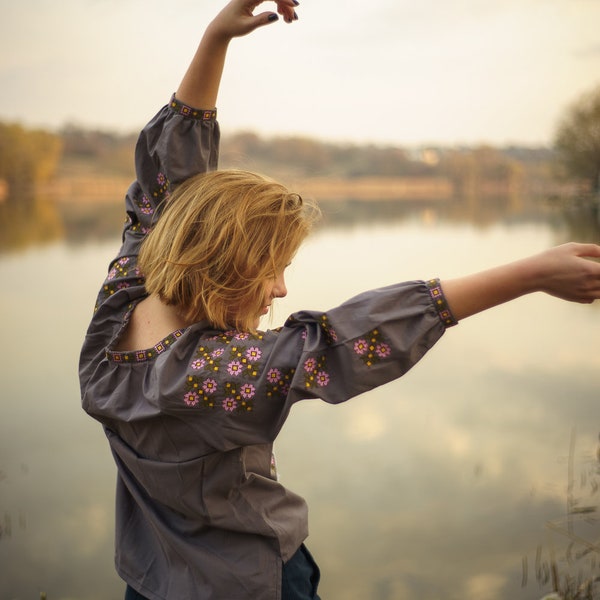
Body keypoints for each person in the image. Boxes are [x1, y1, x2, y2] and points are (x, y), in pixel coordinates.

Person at [78, 1, 600, 599]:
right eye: (273, 271)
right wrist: (531, 273)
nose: (280, 290)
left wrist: (216, 37)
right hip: (252, 584)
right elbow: (342, 342)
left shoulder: (119, 303)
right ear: (224, 267)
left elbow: (165, 185)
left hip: (148, 581)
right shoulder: (210, 373)